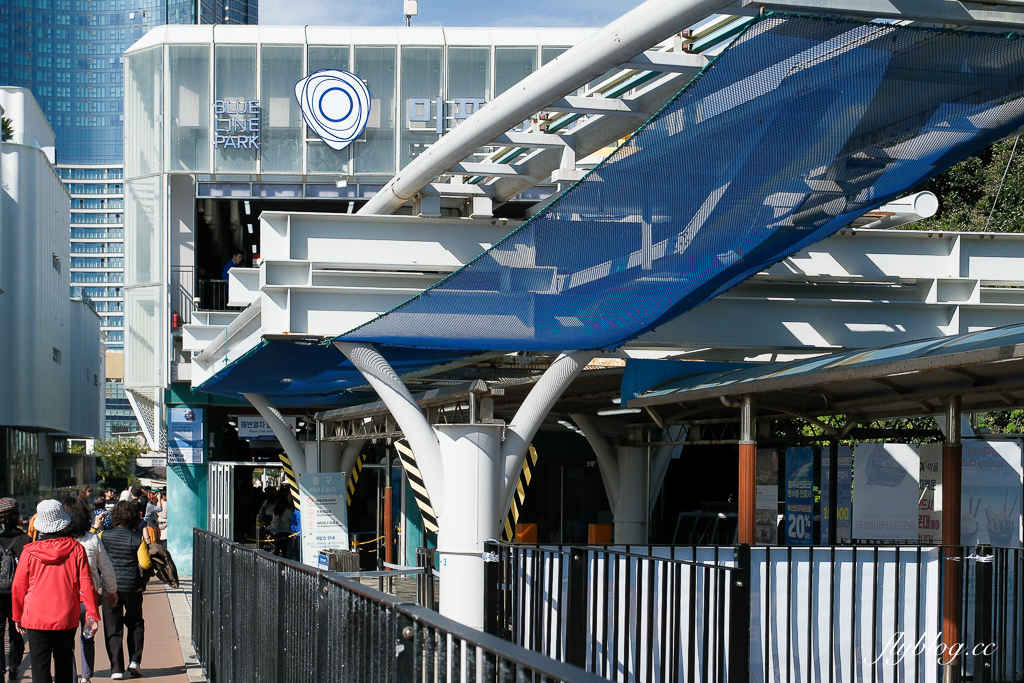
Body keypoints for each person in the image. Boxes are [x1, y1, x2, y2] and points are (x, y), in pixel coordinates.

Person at [12, 500, 100, 683]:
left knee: (39, 663)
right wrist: (91, 616)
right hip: (66, 615)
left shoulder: (29, 552)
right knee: (64, 660)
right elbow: (86, 584)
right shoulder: (76, 549)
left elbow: (18, 586)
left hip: (35, 616)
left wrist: (17, 615)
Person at [63, 498, 117, 683]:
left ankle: (72, 677)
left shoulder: (61, 542)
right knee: (87, 637)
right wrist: (112, 590)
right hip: (89, 600)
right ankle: (86, 677)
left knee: (67, 642)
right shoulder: (93, 539)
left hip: (66, 601)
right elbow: (106, 568)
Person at [100, 501, 151, 679]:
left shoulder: (103, 536)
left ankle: (116, 669)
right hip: (132, 587)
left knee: (112, 628)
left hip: (110, 588)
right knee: (135, 623)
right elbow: (145, 563)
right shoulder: (137, 538)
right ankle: (135, 661)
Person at [0, 499, 29, 682]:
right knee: (17, 631)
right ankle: (14, 666)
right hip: (18, 594)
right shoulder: (25, 539)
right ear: (17, 516)